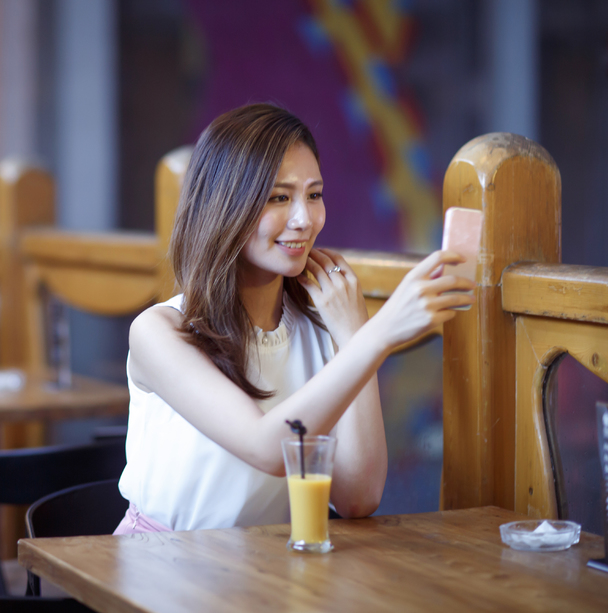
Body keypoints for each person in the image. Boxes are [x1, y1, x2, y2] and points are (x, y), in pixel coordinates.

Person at [115, 104, 475, 534]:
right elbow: (264, 447)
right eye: (279, 197)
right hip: (160, 569)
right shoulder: (160, 331)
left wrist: (351, 331)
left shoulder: (322, 327)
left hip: (266, 575)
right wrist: (378, 334)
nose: (305, 220)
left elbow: (358, 497)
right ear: (225, 206)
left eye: (314, 195)